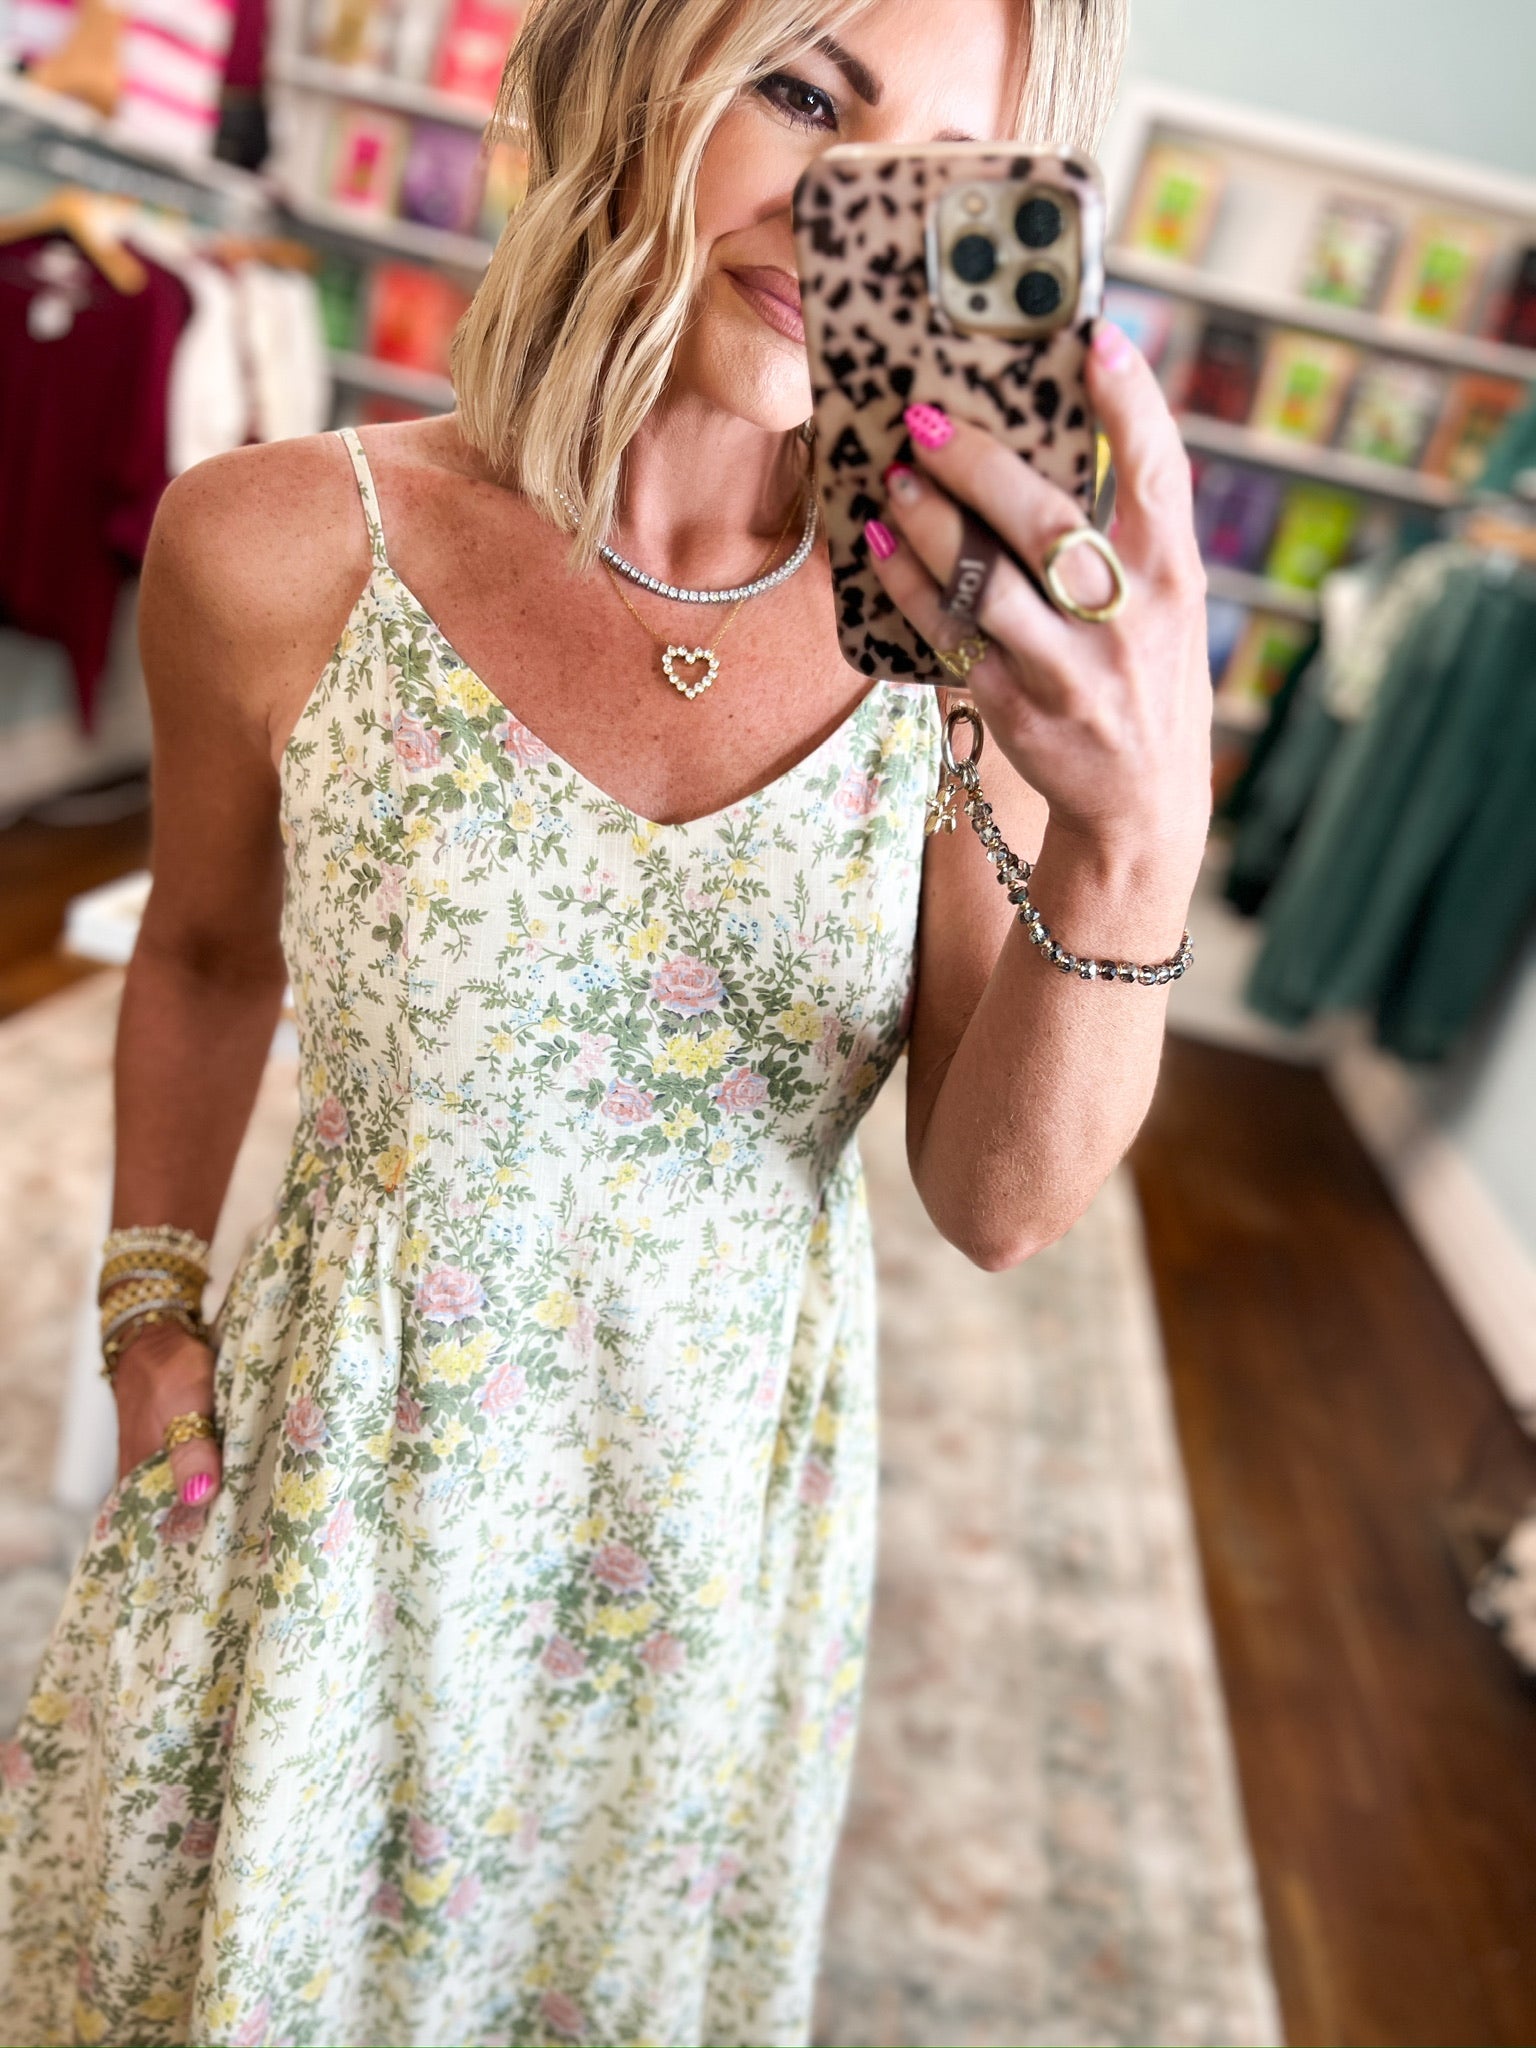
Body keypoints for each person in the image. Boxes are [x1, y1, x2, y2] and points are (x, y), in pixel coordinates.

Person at [0, 0, 1213, 2039]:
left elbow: (999, 1206)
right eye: (802, 93)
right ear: (628, 70)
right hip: (334, 1476)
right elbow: (206, 952)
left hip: (705, 1537)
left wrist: (1136, 837)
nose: (845, 212)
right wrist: (149, 1305)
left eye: (937, 172)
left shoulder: (965, 653)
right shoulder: (277, 544)